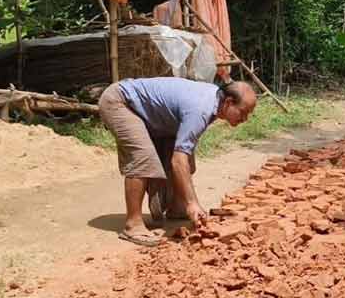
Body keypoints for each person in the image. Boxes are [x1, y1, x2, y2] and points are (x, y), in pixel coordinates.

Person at [98, 77, 257, 246]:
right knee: (142, 158)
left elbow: (183, 155)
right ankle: (133, 225)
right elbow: (178, 161)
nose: (245, 119)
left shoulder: (214, 102)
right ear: (229, 102)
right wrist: (193, 203)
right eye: (243, 112)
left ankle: (177, 208)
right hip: (121, 103)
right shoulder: (201, 109)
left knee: (187, 158)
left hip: (149, 113)